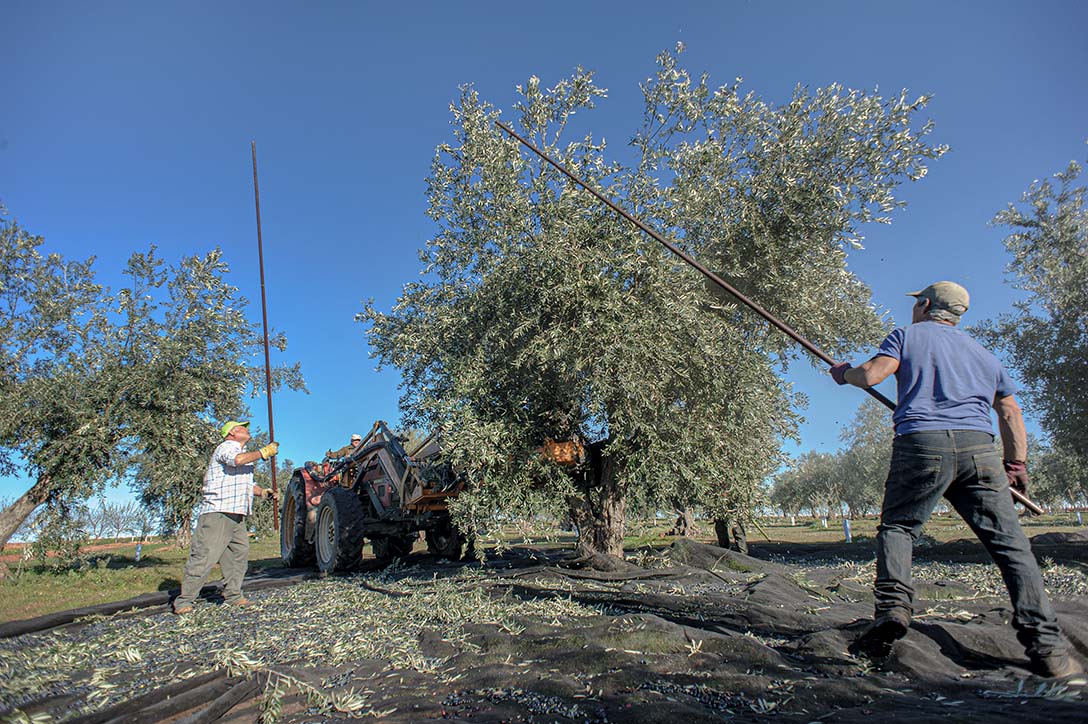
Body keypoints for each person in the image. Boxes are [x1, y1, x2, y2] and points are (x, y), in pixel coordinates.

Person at [829, 281, 1082, 678]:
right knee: (1011, 546)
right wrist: (1015, 464)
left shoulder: (906, 336)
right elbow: (1011, 412)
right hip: (980, 449)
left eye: (917, 302)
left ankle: (893, 611)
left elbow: (873, 375)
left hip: (921, 444)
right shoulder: (984, 355)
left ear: (926, 305)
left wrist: (844, 374)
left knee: (899, 528)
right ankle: (1047, 647)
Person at [172, 420, 279, 615]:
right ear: (231, 433)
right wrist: (264, 452)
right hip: (219, 511)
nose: (246, 429)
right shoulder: (226, 447)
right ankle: (184, 600)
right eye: (241, 427)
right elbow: (236, 460)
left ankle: (233, 595)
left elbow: (247, 485)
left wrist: (263, 492)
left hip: (237, 513)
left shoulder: (245, 456)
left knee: (238, 555)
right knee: (205, 555)